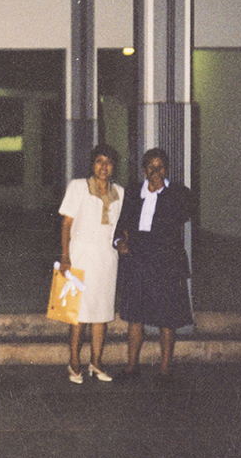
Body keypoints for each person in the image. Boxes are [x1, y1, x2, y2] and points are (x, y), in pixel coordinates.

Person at [113, 148, 194, 385]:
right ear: (143, 169)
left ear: (166, 170)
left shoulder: (178, 193)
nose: (155, 171)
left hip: (165, 263)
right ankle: (131, 366)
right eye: (150, 167)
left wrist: (162, 192)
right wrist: (118, 242)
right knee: (134, 317)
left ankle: (165, 369)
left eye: (160, 167)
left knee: (166, 317)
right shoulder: (132, 193)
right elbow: (120, 222)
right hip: (137, 260)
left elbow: (182, 216)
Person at [58, 144, 124, 384]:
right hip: (80, 257)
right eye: (99, 161)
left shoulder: (120, 192)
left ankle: (96, 362)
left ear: (114, 166)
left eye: (108, 162)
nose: (103, 167)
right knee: (79, 314)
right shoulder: (78, 187)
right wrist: (65, 256)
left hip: (106, 259)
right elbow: (66, 225)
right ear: (92, 164)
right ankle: (74, 362)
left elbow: (118, 228)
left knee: (101, 313)